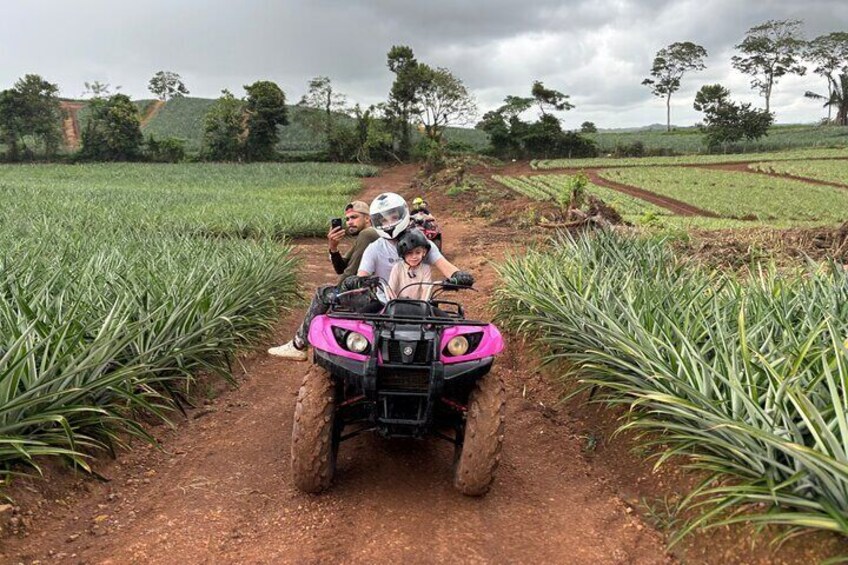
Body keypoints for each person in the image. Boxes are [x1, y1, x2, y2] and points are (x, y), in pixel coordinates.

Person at [267, 200, 378, 360]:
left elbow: (349, 273)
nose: (349, 222)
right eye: (347, 219)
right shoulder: (365, 236)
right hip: (373, 290)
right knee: (329, 291)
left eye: (354, 217)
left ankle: (299, 344)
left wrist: (337, 292)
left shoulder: (368, 234)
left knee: (324, 292)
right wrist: (333, 247)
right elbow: (341, 267)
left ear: (368, 218)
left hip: (370, 294)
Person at [386, 228, 433, 301]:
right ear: (403, 254)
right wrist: (395, 302)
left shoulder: (425, 269)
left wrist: (423, 305)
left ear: (424, 252)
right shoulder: (398, 267)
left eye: (418, 252)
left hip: (419, 306)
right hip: (399, 305)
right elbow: (391, 289)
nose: (414, 257)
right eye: (409, 253)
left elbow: (426, 290)